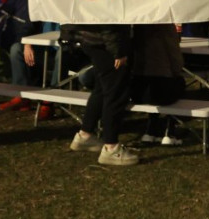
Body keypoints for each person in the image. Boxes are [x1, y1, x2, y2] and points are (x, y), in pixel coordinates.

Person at [61, 23, 137, 166]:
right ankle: (111, 147)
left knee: (101, 89)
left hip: (88, 38)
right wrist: (118, 51)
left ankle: (85, 135)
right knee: (115, 93)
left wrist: (69, 36)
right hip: (104, 42)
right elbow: (109, 21)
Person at [131, 24, 186, 146]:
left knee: (158, 83)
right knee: (178, 83)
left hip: (138, 91)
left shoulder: (136, 27)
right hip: (162, 91)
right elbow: (176, 62)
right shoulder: (166, 28)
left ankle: (151, 129)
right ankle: (169, 131)